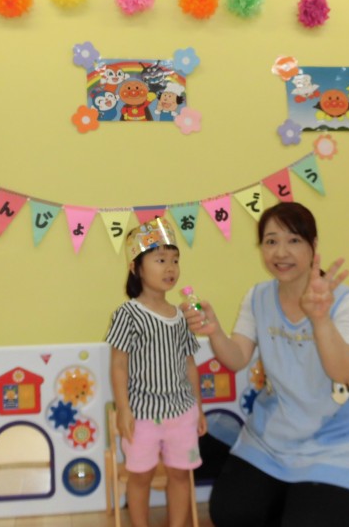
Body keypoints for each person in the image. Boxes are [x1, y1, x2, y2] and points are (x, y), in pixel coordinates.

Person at [182, 202, 349, 527]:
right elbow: (237, 358)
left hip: (339, 442)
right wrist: (215, 331)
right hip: (272, 440)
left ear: (313, 245)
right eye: (271, 241)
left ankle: (348, 511)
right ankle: (301, 502)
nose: (281, 252)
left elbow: (343, 372)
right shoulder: (258, 297)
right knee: (230, 514)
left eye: (293, 240)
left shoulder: (346, 302)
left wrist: (320, 319)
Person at [106, 217, 207, 527]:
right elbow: (119, 364)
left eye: (174, 260)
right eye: (160, 260)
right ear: (136, 268)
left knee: (180, 474)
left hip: (181, 412)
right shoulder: (127, 314)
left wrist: (199, 407)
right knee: (140, 477)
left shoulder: (181, 315)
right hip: (142, 415)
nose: (170, 268)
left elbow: (189, 364)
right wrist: (123, 409)